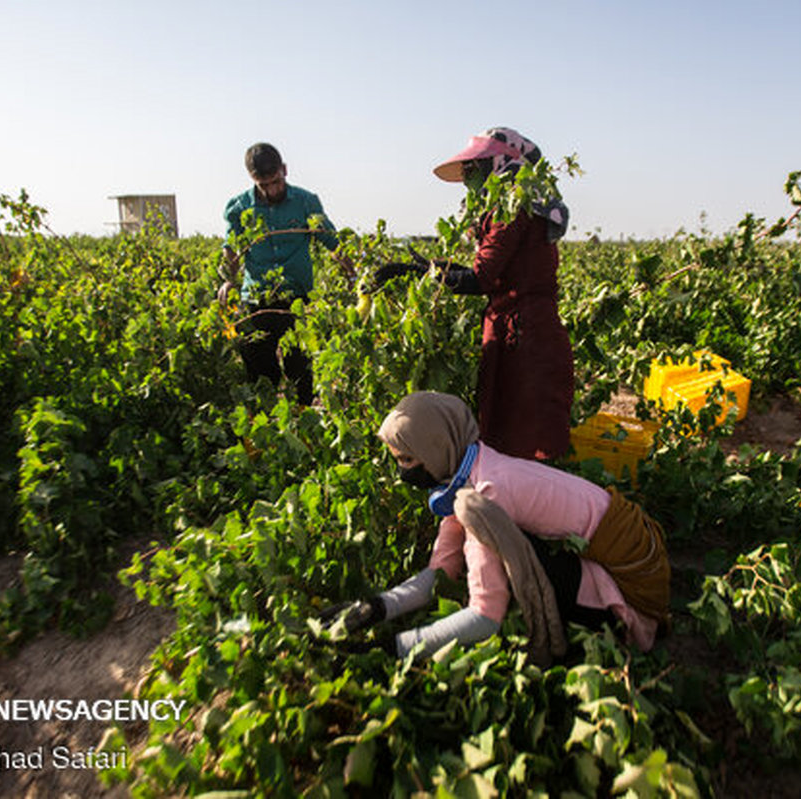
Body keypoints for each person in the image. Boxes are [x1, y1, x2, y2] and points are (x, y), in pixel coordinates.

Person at [320, 392, 670, 666]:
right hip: (626, 548)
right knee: (505, 554)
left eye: (408, 460)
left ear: (437, 448)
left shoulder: (485, 494)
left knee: (507, 564)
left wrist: (394, 648)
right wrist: (374, 608)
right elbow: (441, 572)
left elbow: (485, 616)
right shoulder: (469, 465)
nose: (403, 473)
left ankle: (606, 621)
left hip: (631, 582)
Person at [379, 128, 575, 461]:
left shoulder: (512, 209)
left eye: (475, 168)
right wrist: (432, 266)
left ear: (499, 165)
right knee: (513, 432)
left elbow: (481, 279)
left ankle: (530, 507)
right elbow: (489, 270)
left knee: (525, 437)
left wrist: (422, 274)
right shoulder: (520, 206)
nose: (470, 177)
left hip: (525, 337)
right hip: (519, 331)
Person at [221, 143, 346, 405]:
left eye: (276, 182)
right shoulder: (239, 208)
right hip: (256, 302)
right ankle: (270, 433)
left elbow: (331, 242)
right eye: (264, 185)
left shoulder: (305, 202)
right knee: (261, 376)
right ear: (253, 180)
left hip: (296, 300)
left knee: (301, 371)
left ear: (285, 171)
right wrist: (228, 281)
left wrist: (354, 276)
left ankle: (305, 428)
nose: (271, 190)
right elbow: (231, 249)